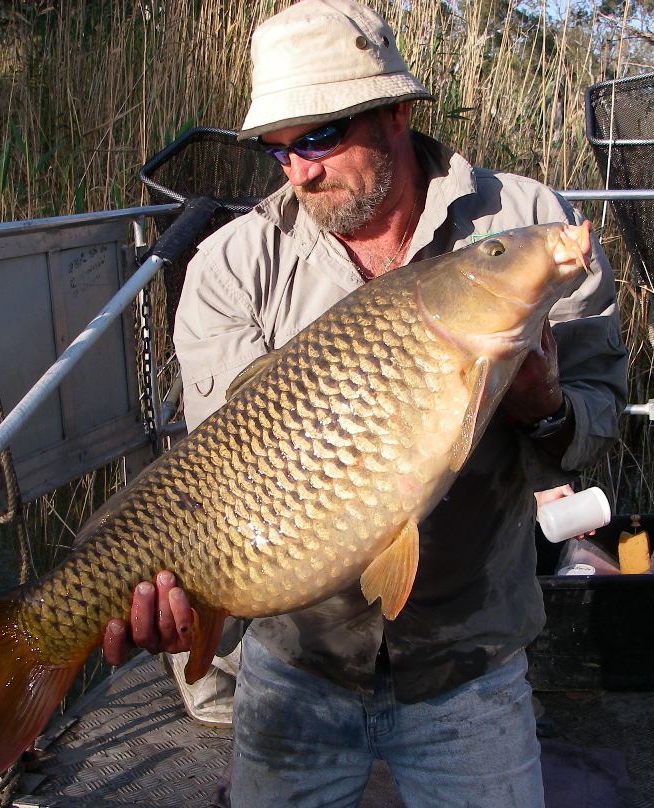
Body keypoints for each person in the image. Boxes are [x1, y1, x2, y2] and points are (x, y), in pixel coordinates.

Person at [104, 1, 628, 805]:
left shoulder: (520, 226)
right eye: (277, 150)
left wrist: (543, 404)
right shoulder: (229, 268)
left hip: (470, 662)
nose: (298, 171)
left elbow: (592, 428)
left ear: (395, 112)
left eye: (316, 137)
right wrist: (190, 604)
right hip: (295, 668)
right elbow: (226, 484)